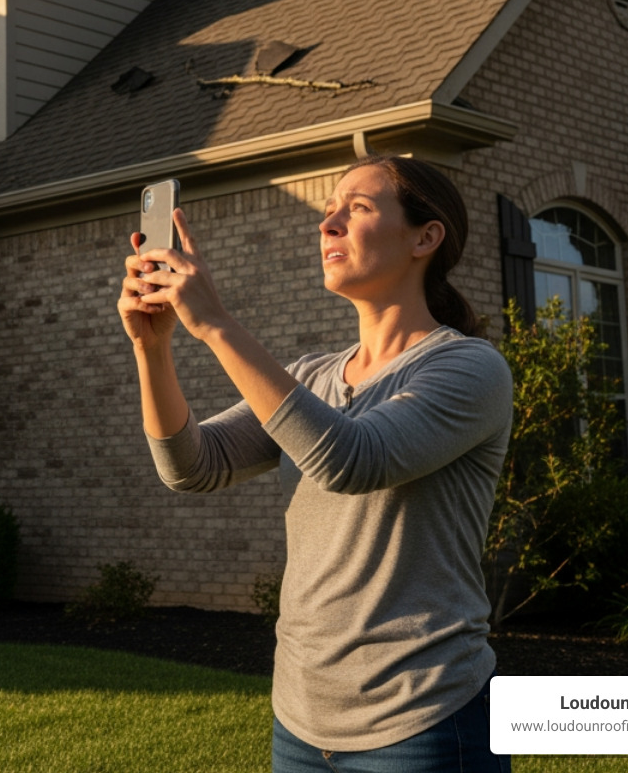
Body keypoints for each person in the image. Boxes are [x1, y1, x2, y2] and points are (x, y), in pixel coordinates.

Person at [118, 154, 513, 773]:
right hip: (301, 722)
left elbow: (353, 461)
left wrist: (217, 323)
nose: (327, 223)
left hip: (421, 720)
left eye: (355, 208)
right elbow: (193, 464)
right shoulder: (311, 376)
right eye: (327, 210)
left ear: (425, 237)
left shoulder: (469, 368)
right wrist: (153, 350)